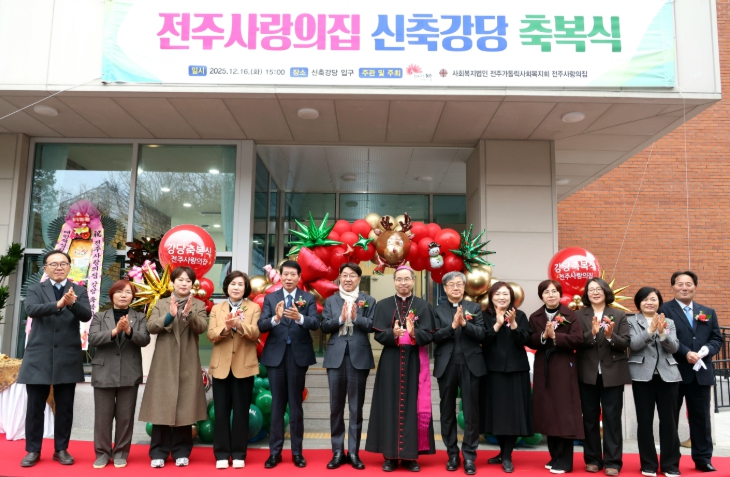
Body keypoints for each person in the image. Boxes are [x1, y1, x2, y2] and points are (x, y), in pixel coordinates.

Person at [18, 250, 92, 467]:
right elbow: (32, 309)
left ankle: (61, 449)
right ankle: (33, 450)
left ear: (69, 267)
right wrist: (59, 304)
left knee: (65, 408)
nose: (59, 267)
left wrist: (72, 303)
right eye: (54, 264)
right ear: (45, 268)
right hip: (38, 356)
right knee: (35, 408)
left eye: (63, 264)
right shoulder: (35, 289)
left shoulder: (79, 290)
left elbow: (87, 315)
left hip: (67, 356)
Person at [365, 266, 436, 472]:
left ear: (413, 281)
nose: (403, 283)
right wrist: (393, 334)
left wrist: (414, 334)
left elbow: (430, 335)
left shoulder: (423, 305)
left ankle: (410, 456)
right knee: (389, 404)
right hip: (390, 362)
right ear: (394, 281)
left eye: (407, 279)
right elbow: (378, 334)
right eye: (399, 279)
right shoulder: (384, 304)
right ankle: (389, 455)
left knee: (413, 405)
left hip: (415, 361)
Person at [138, 266, 208, 468]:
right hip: (164, 362)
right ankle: (158, 452)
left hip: (187, 361)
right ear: (173, 282)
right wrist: (169, 315)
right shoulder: (161, 303)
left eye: (188, 280)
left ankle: (181, 451)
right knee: (161, 407)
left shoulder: (199, 304)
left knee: (185, 409)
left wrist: (189, 314)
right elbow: (150, 327)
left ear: (192, 284)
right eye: (180, 280)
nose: (184, 284)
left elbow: (202, 328)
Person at [658, 271, 722, 473]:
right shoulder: (663, 310)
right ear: (673, 287)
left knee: (701, 419)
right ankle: (670, 461)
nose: (684, 288)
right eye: (680, 284)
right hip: (673, 373)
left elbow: (716, 338)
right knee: (670, 420)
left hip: (700, 374)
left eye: (688, 284)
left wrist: (706, 350)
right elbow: (666, 337)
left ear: (695, 286)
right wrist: (686, 352)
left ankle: (703, 459)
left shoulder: (707, 311)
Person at [258, 260, 320, 469]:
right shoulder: (271, 298)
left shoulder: (308, 298)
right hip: (275, 357)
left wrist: (300, 317)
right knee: (277, 405)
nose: (289, 278)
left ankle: (297, 453)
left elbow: (315, 323)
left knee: (295, 405)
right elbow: (261, 325)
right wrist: (275, 319)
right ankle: (274, 453)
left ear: (299, 277)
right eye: (285, 274)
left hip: (298, 356)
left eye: (293, 274)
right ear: (281, 276)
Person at [88, 279, 150, 469]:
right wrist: (115, 331)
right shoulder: (100, 316)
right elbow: (93, 339)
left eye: (128, 292)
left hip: (129, 373)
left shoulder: (139, 317)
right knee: (102, 418)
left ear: (133, 297)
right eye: (119, 292)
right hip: (104, 372)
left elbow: (145, 339)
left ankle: (121, 453)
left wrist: (129, 331)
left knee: (125, 418)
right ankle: (102, 454)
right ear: (112, 295)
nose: (123, 295)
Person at [320, 262, 376, 470]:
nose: (348, 279)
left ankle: (353, 452)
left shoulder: (368, 300)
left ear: (359, 279)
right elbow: (324, 326)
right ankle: (337, 452)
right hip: (335, 358)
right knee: (335, 407)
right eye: (344, 275)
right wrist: (341, 319)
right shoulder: (331, 300)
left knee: (355, 408)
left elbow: (373, 326)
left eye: (352, 275)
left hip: (359, 358)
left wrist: (355, 318)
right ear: (339, 278)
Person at [576, 277, 631, 476]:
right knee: (589, 418)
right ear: (586, 294)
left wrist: (609, 336)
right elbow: (575, 341)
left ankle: (613, 462)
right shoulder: (578, 315)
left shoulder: (619, 315)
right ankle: (592, 459)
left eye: (599, 289)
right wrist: (591, 334)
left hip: (612, 373)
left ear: (606, 291)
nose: (595, 292)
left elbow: (625, 343)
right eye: (591, 289)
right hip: (587, 373)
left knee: (612, 418)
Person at [432, 271, 486, 475]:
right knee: (447, 411)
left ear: (464, 287)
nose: (456, 287)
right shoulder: (437, 310)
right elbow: (434, 337)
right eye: (451, 284)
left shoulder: (474, 308)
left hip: (471, 364)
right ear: (445, 288)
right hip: (447, 365)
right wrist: (453, 326)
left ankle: (469, 456)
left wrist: (465, 324)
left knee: (471, 412)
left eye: (459, 284)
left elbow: (482, 334)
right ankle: (452, 454)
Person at [528, 280, 584, 475]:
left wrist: (555, 337)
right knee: (548, 412)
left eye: (554, 291)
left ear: (560, 294)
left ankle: (565, 461)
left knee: (563, 413)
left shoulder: (570, 315)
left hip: (563, 366)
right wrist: (543, 336)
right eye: (546, 292)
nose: (551, 295)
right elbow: (530, 339)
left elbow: (578, 339)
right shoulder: (535, 316)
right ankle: (554, 456)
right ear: (541, 296)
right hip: (544, 367)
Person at [207, 271, 261, 469]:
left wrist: (239, 325)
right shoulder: (217, 308)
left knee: (241, 412)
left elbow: (256, 333)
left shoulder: (253, 307)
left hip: (243, 367)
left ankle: (239, 453)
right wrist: (226, 328)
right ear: (227, 287)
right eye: (233, 284)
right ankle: (221, 454)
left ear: (245, 288)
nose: (236, 287)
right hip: (221, 367)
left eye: (240, 284)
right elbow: (211, 334)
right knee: (220, 412)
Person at [628, 287, 682, 477]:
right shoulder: (631, 321)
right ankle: (648, 464)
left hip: (668, 376)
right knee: (644, 422)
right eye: (645, 299)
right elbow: (634, 345)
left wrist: (663, 334)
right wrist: (650, 330)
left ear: (659, 302)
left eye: (653, 299)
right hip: (642, 376)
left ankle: (670, 464)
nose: (649, 302)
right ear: (639, 302)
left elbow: (674, 348)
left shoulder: (669, 322)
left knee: (669, 422)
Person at [481, 281, 533, 474]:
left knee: (512, 414)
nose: (501, 297)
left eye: (505, 294)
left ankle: (507, 456)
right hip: (492, 370)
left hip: (515, 371)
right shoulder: (484, 316)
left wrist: (513, 325)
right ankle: (502, 452)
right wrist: (497, 324)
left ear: (511, 297)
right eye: (497, 294)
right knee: (497, 414)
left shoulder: (520, 315)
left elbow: (525, 340)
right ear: (491, 297)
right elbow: (482, 339)